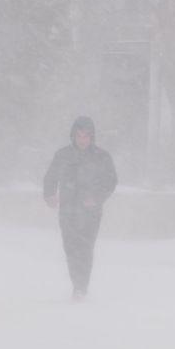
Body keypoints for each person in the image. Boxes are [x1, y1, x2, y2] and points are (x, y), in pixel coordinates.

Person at [43, 116, 117, 301]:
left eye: (86, 136)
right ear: (73, 136)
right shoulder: (63, 155)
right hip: (68, 210)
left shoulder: (101, 157)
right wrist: (49, 194)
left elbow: (111, 181)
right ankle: (77, 284)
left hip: (91, 212)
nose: (82, 139)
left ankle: (81, 287)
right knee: (70, 248)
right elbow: (50, 177)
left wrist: (97, 198)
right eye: (79, 135)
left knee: (85, 248)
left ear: (92, 137)